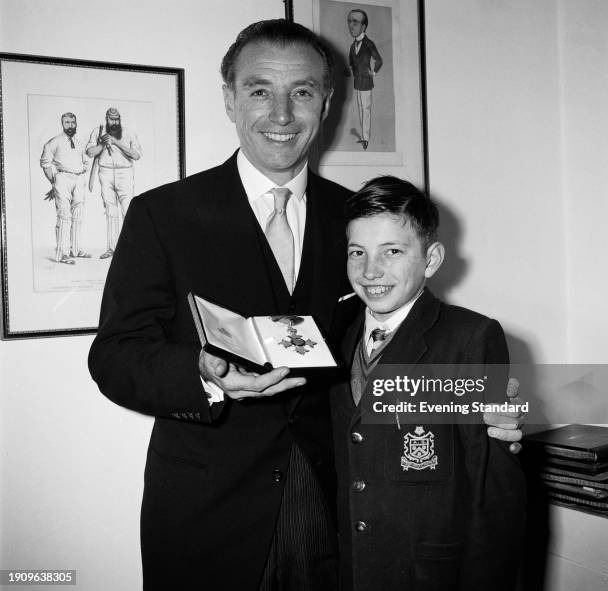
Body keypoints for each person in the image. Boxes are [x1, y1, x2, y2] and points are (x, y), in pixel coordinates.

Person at [88, 19, 523, 591]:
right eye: (260, 90)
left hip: (339, 507)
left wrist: (484, 401)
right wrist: (202, 375)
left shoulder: (354, 220)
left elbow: (404, 338)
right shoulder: (161, 216)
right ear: (229, 99)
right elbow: (115, 356)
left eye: (302, 92)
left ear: (327, 101)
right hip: (206, 515)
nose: (282, 114)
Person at [331, 176, 526, 591]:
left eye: (393, 252)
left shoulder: (470, 339)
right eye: (357, 253)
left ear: (432, 259)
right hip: (351, 571)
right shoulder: (337, 337)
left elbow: (493, 490)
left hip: (430, 575)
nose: (370, 271)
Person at [86, 107, 142, 259]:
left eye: (117, 119)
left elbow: (137, 155)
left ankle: (132, 247)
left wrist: (116, 142)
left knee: (128, 210)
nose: (114, 122)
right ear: (106, 119)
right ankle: (112, 249)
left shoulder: (129, 133)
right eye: (111, 119)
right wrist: (102, 144)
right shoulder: (98, 131)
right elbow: (90, 153)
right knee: (110, 211)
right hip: (105, 172)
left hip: (125, 173)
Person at [40, 112, 90, 264]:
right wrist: (54, 183)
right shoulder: (53, 142)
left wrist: (81, 174)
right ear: (62, 124)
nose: (70, 125)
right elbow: (45, 164)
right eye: (67, 122)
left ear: (76, 123)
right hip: (62, 178)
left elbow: (86, 162)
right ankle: (61, 254)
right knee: (64, 216)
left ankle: (75, 250)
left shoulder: (80, 142)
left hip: (79, 179)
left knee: (78, 214)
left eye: (73, 122)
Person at [347, 9, 383, 150]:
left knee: (366, 110)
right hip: (357, 82)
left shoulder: (369, 44)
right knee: (361, 110)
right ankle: (363, 137)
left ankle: (366, 138)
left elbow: (379, 60)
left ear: (364, 26)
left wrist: (373, 73)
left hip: (367, 83)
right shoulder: (351, 46)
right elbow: (351, 63)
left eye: (355, 22)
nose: (351, 25)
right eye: (349, 21)